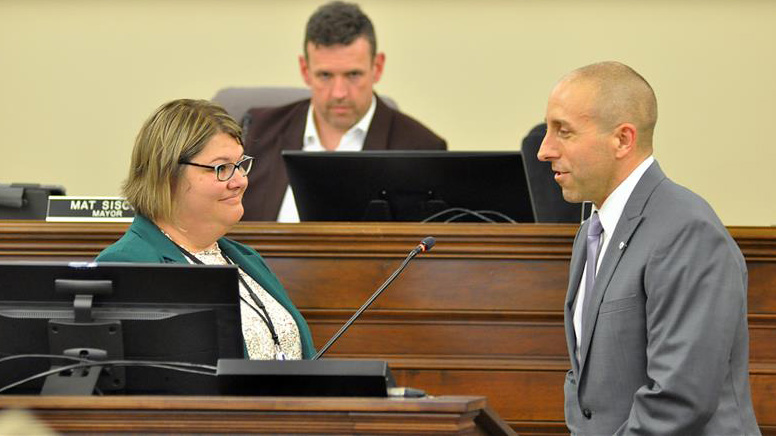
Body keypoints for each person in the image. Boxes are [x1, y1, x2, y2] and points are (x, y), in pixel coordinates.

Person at [538, 62, 760, 435]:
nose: (544, 150)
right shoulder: (591, 231)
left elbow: (679, 399)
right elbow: (586, 382)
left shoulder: (687, 231)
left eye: (564, 131)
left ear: (623, 140)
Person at [96, 99, 315, 360]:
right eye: (222, 168)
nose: (240, 181)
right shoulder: (128, 264)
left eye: (240, 165)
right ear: (168, 174)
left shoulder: (246, 259)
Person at [241, 1, 447, 222]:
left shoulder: (422, 148)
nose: (339, 93)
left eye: (353, 75)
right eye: (325, 76)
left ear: (377, 67)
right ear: (305, 70)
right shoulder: (258, 130)